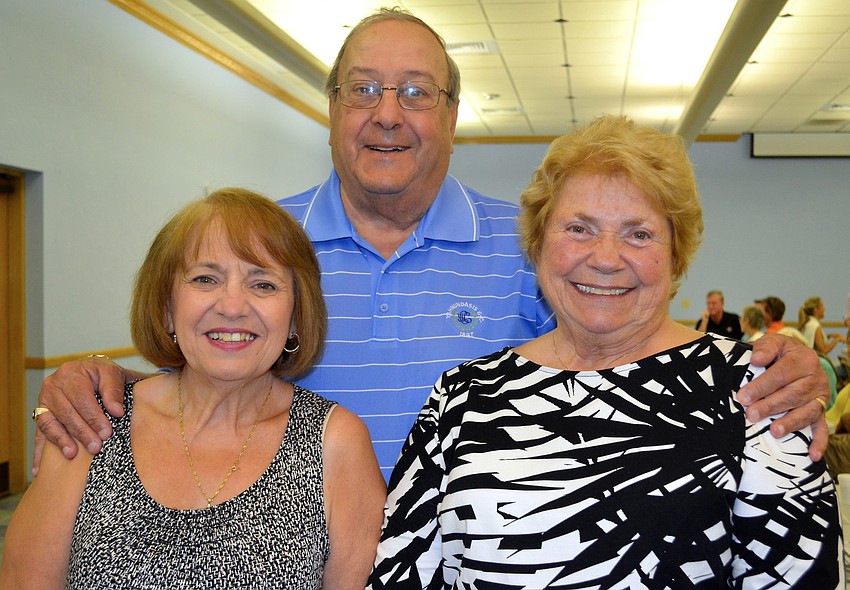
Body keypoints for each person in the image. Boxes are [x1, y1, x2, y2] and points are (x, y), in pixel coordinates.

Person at [32, 9, 830, 481]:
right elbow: (200, 379)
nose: (388, 114)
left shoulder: (531, 253)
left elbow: (630, 365)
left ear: (451, 117)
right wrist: (108, 384)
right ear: (332, 109)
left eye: (416, 93)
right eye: (364, 90)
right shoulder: (258, 249)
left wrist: (770, 379)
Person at [368, 116, 841, 589]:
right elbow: (402, 573)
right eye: (579, 228)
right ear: (537, 244)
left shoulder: (761, 391)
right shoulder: (464, 397)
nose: (606, 258)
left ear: (676, 255)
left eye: (639, 234)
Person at [0, 189, 385, 589]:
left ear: (295, 318)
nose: (232, 306)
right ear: (167, 307)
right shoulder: (92, 420)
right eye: (205, 278)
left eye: (264, 284)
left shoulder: (335, 442)